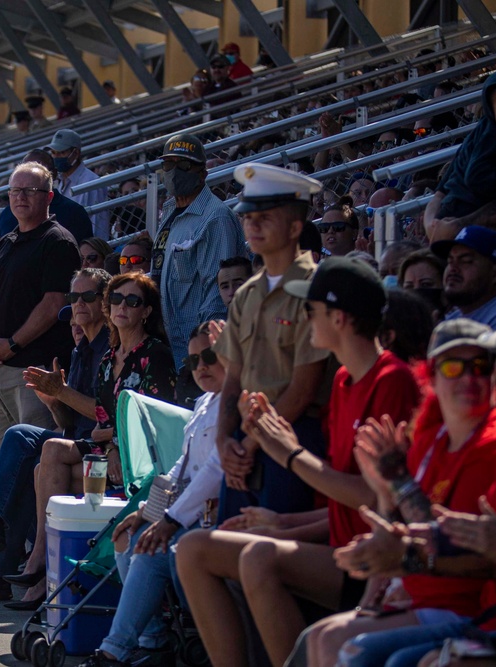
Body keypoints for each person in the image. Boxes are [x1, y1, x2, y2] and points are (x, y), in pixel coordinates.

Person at [177, 256, 421, 667]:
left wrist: (290, 455)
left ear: (340, 318)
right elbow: (350, 501)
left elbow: (380, 500)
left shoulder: (392, 380)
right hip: (338, 545)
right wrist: (286, 523)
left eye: (310, 310)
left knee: (257, 558)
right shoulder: (344, 380)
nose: (302, 319)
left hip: (379, 558)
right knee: (193, 549)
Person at [0, 272, 175, 605]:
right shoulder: (106, 358)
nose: (79, 306)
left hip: (133, 454)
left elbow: (149, 420)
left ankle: (25, 557)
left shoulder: (155, 355)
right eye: (116, 300)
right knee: (31, 455)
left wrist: (68, 399)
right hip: (92, 444)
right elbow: (96, 420)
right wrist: (55, 401)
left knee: (31, 452)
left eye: (132, 301)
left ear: (146, 311)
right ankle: (29, 562)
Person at [300, 319, 496, 667]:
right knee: (320, 637)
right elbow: (398, 522)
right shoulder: (433, 436)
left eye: (481, 366)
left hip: (465, 606)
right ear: (432, 375)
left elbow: (445, 540)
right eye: (452, 366)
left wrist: (397, 484)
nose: (469, 378)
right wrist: (387, 492)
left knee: (350, 647)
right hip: (420, 596)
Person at [77, 323, 227, 667]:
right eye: (193, 361)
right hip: (190, 513)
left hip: (218, 516)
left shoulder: (231, 406)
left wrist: (168, 521)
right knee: (126, 534)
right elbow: (179, 469)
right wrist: (145, 510)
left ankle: (114, 651)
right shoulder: (205, 403)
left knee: (148, 549)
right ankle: (152, 639)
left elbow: (211, 475)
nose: (201, 367)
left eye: (210, 357)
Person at [211, 163, 334, 524]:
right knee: (231, 550)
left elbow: (302, 388)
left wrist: (248, 445)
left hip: (293, 438)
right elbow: (233, 378)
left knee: (271, 554)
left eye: (265, 217)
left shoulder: (315, 288)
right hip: (244, 441)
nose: (253, 225)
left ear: (295, 227)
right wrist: (223, 441)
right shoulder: (247, 293)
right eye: (249, 217)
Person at [0, 162, 81, 466]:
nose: (21, 197)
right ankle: (0, 515)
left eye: (30, 190)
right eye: (15, 190)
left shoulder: (57, 242)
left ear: (48, 197)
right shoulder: (5, 242)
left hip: (34, 371)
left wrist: (12, 344)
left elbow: (53, 304)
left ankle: (32, 516)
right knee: (0, 463)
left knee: (30, 460)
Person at [150, 132, 246, 376]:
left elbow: (218, 292)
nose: (174, 171)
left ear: (202, 173)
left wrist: (204, 350)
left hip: (198, 356)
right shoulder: (171, 208)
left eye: (184, 165)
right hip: (171, 347)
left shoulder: (216, 218)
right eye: (168, 164)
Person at [425, 69, 496, 242]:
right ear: (491, 108)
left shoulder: (485, 131)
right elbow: (476, 177)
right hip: (462, 210)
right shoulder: (492, 136)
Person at [0, 149, 93, 243]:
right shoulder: (7, 215)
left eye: (30, 190)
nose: (21, 197)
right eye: (24, 170)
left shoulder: (74, 213)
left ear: (53, 174)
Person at [431, 226, 496, 329]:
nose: (453, 268)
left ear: (495, 273)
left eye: (466, 261)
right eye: (450, 261)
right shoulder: (455, 316)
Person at [47, 129, 109, 239]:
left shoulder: (91, 182)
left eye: (62, 152)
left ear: (76, 153)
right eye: (53, 153)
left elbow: (98, 225)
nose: (56, 157)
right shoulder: (61, 181)